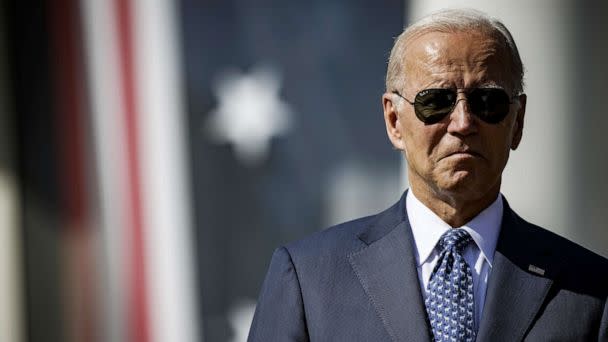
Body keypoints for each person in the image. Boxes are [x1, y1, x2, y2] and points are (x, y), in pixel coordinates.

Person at [248, 8, 608, 342]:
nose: (464, 123)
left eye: (488, 102)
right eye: (435, 101)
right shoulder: (308, 278)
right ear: (394, 121)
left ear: (518, 122)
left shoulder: (592, 288)